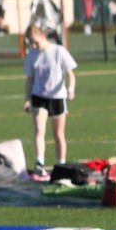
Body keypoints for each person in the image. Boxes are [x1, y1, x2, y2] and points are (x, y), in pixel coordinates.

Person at [23, 24, 77, 176]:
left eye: (35, 41)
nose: (34, 45)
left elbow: (70, 74)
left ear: (42, 36)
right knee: (39, 130)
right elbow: (29, 80)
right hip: (39, 96)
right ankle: (39, 162)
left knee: (58, 134)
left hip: (57, 97)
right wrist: (27, 99)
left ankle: (61, 164)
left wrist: (70, 89)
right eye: (31, 42)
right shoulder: (32, 54)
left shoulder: (58, 51)